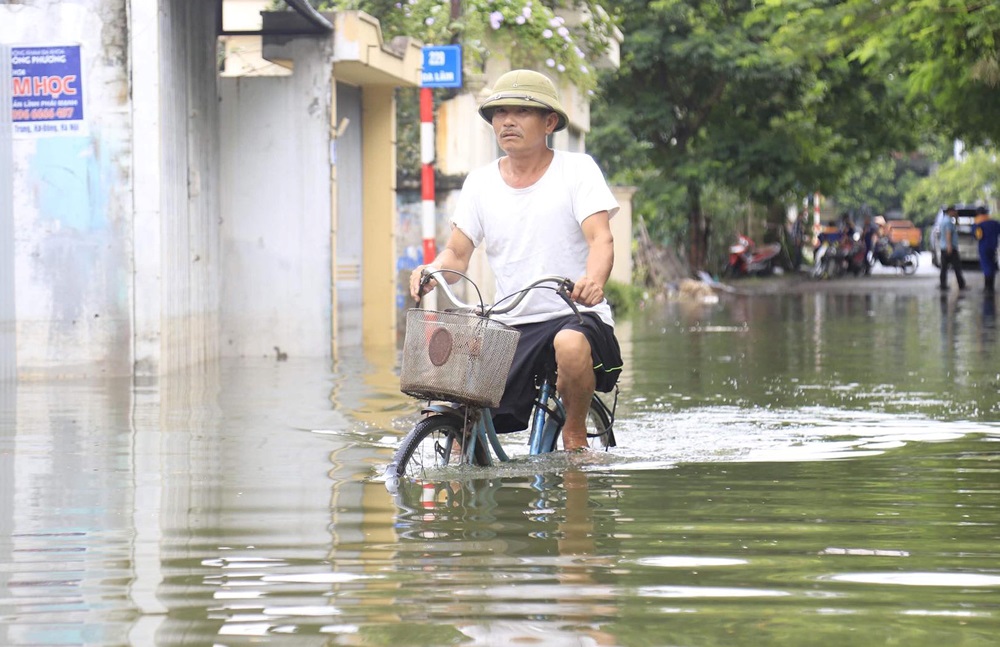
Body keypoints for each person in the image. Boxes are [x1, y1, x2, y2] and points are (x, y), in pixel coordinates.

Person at [408, 69, 623, 451]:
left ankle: (574, 435)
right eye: (499, 113)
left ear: (549, 122)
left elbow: (601, 239)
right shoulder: (480, 182)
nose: (507, 121)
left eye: (521, 112)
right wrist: (433, 270)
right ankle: (456, 477)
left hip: (575, 313)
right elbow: (457, 253)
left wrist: (593, 281)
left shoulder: (577, 170)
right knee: (460, 406)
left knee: (570, 344)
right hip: (510, 321)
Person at [938, 204, 967, 291]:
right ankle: (961, 285)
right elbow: (948, 234)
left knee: (944, 268)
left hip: (944, 247)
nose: (956, 213)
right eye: (954, 211)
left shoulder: (945, 220)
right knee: (957, 267)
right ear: (950, 211)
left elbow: (956, 227)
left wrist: (957, 219)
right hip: (950, 248)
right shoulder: (948, 222)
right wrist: (949, 246)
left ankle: (943, 284)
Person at [973, 206, 1000, 293]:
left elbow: (977, 236)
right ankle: (991, 286)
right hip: (993, 247)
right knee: (992, 265)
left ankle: (987, 287)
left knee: (986, 266)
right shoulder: (994, 223)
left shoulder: (977, 224)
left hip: (983, 247)